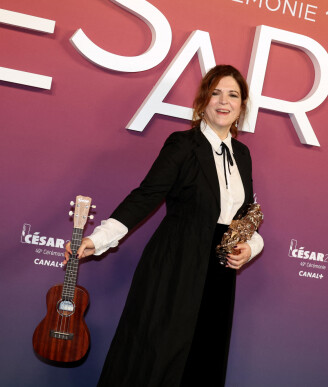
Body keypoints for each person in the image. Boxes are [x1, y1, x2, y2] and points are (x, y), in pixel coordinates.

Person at [64, 64, 264, 386]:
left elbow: (247, 213)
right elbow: (147, 195)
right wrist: (99, 238)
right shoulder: (183, 145)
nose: (223, 101)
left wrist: (252, 247)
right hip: (177, 265)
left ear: (242, 106)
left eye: (233, 95)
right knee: (158, 358)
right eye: (215, 93)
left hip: (219, 272)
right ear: (202, 102)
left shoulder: (242, 154)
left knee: (203, 359)